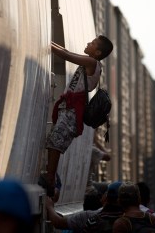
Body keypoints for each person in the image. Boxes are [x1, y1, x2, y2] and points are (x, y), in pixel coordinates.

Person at [40, 36, 114, 197]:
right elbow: (66, 52)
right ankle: (52, 179)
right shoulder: (90, 62)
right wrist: (47, 40)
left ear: (98, 52)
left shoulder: (92, 62)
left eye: (92, 43)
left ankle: (51, 178)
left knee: (55, 143)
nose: (88, 43)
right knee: (54, 142)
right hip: (69, 108)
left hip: (73, 111)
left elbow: (66, 55)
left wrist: (44, 40)